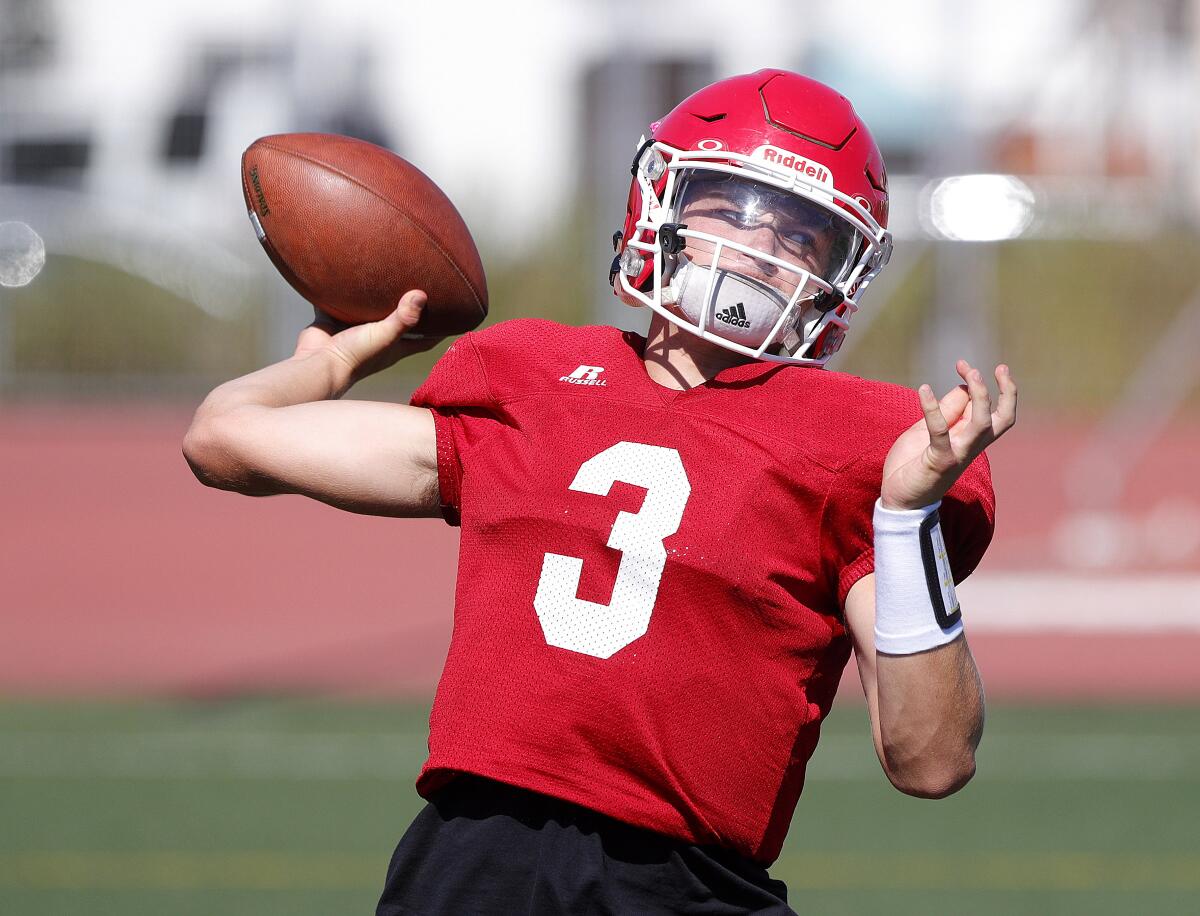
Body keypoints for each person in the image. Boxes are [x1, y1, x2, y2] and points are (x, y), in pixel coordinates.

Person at [184, 69, 1017, 914]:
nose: (757, 247)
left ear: (842, 273)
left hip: (685, 884)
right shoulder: (528, 376)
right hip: (472, 862)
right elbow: (224, 437)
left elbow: (931, 760)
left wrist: (906, 516)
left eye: (800, 236)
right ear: (661, 205)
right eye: (729, 207)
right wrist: (333, 357)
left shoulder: (857, 445)